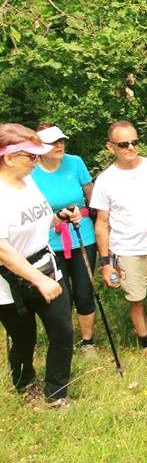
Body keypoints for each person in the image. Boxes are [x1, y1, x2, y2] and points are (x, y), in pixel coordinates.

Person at [91, 121, 147, 357]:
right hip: (127, 250)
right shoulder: (105, 180)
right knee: (137, 300)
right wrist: (105, 262)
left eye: (135, 142)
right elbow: (101, 224)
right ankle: (146, 345)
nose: (130, 147)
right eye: (123, 144)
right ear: (111, 147)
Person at [0, 124, 73, 407]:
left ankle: (56, 394)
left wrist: (60, 218)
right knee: (23, 339)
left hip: (47, 266)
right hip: (10, 283)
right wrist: (39, 280)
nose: (36, 162)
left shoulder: (29, 181)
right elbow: (3, 249)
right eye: (30, 156)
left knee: (62, 332)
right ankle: (25, 382)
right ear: (7, 157)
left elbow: (38, 218)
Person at [32, 124, 97, 353]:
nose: (59, 145)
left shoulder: (75, 162)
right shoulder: (31, 171)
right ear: (39, 146)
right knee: (61, 293)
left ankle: (88, 342)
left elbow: (92, 197)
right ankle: (63, 340)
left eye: (61, 140)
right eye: (52, 142)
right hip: (48, 241)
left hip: (82, 235)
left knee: (84, 290)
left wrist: (88, 213)